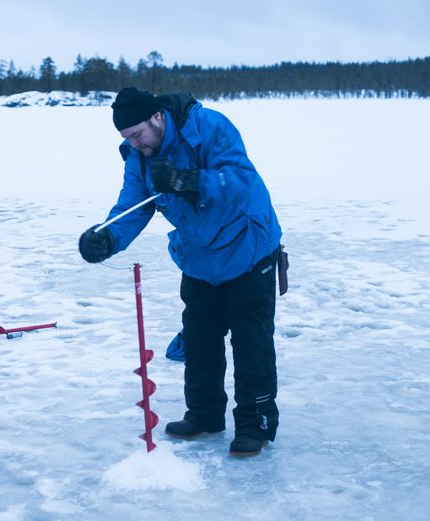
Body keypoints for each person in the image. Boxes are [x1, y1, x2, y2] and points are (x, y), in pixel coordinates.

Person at [78, 87, 283, 457]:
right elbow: (134, 206)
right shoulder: (138, 157)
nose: (136, 144)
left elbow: (240, 180)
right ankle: (205, 416)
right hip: (200, 257)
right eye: (127, 139)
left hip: (248, 248)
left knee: (251, 343)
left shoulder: (208, 127)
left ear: (157, 117)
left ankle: (256, 425)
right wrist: (107, 238)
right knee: (200, 339)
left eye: (137, 135)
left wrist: (188, 181)